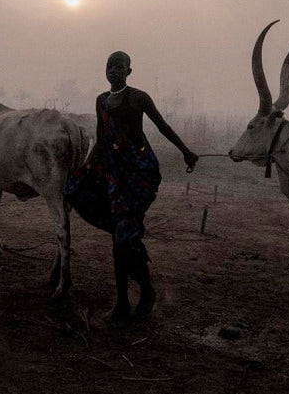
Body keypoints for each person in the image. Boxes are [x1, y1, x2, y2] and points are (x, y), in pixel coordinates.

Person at [64, 51, 198, 321]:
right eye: (109, 66)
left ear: (129, 71)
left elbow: (162, 127)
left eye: (119, 66)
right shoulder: (101, 101)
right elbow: (102, 141)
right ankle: (124, 301)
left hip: (139, 174)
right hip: (113, 176)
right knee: (119, 236)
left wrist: (186, 151)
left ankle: (145, 292)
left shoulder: (139, 97)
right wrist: (85, 169)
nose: (113, 70)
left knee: (123, 238)